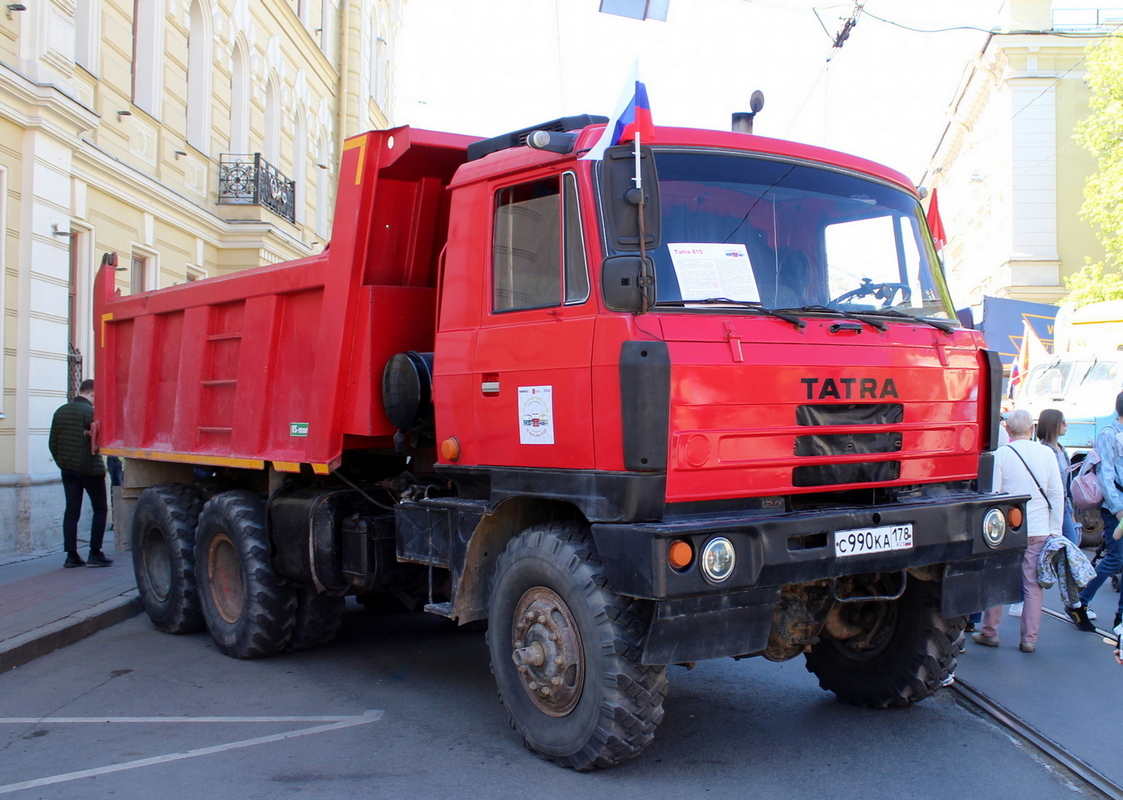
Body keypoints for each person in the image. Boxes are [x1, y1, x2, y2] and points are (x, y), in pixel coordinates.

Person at [972, 409, 1063, 652]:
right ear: (1032, 429)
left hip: (1008, 528)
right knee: (1032, 584)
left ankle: (990, 632)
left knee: (997, 578)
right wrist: (1055, 528)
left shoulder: (1001, 454)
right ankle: (1029, 639)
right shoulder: (1046, 453)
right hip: (1039, 527)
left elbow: (993, 493)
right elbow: (1056, 492)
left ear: (1008, 430)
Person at [1068, 391, 1123, 635]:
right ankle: (1080, 600)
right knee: (1116, 557)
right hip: (1117, 507)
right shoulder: (1108, 434)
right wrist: (1118, 508)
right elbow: (1107, 475)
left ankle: (1120, 617)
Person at [47, 379, 112, 568]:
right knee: (100, 509)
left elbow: (53, 442)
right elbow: (100, 439)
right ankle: (95, 552)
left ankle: (71, 555)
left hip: (68, 470)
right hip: (90, 469)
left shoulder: (61, 411)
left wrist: (63, 463)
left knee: (72, 510)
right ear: (92, 393)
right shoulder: (90, 412)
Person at [1036, 409, 1080, 546]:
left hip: (1064, 505)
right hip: (1051, 506)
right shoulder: (1044, 451)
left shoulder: (1062, 450)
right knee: (1070, 545)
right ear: (1054, 424)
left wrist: (1071, 511)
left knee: (1070, 545)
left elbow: (1066, 485)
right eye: (1063, 422)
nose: (1066, 425)